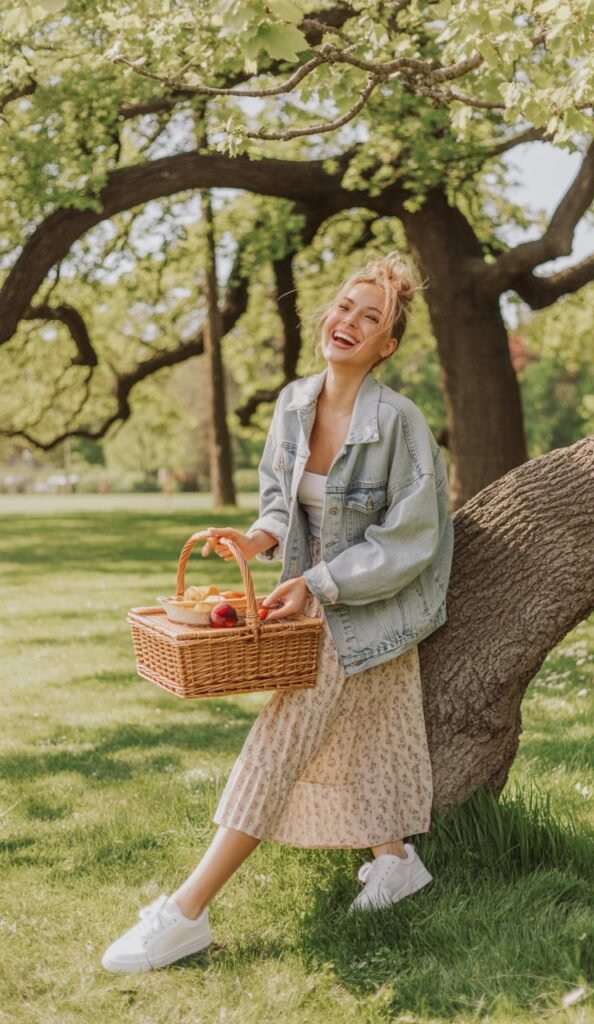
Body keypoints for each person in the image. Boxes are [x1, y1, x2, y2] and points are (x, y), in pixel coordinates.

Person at [102, 252, 455, 974]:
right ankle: (395, 863)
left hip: (368, 603)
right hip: (307, 596)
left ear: (387, 345)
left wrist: (321, 582)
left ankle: (186, 912)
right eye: (345, 307)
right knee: (369, 735)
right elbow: (277, 497)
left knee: (279, 741)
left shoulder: (400, 423)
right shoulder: (295, 403)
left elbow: (411, 539)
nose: (349, 322)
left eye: (371, 317)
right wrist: (257, 537)